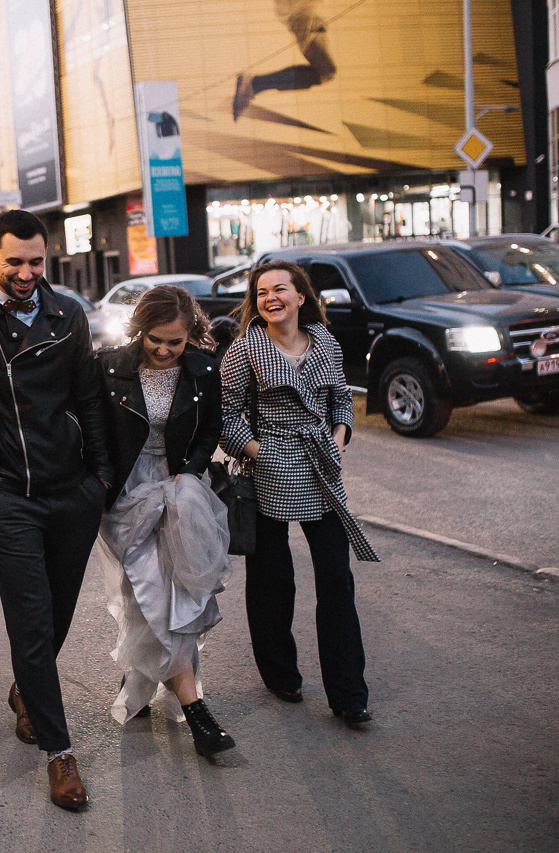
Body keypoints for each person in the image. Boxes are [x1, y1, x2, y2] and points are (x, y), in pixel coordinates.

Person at [0, 209, 112, 810]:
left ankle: (27, 692)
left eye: (37, 261)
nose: (27, 272)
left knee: (57, 612)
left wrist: (99, 478)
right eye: (14, 261)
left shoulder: (69, 314)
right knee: (31, 620)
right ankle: (60, 753)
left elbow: (89, 398)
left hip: (72, 489)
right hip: (8, 495)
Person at [219, 259, 379, 728]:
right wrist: (260, 451)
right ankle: (280, 673)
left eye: (280, 290)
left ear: (300, 296)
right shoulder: (246, 349)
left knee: (336, 578)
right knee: (273, 578)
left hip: (320, 463)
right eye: (262, 292)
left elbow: (341, 398)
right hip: (268, 467)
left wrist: (339, 437)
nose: (270, 298)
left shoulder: (325, 341)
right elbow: (224, 414)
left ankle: (349, 695)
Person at [92, 286, 236, 762]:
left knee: (178, 595)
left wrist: (189, 470)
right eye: (156, 339)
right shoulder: (109, 366)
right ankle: (166, 688)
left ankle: (191, 710)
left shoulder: (203, 368)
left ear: (190, 334)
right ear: (140, 329)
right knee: (143, 591)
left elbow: (210, 430)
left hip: (181, 492)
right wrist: (100, 481)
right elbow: (94, 430)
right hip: (125, 492)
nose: (164, 350)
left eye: (176, 342)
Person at [232, 0, 337, 121]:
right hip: (302, 14)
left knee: (325, 72)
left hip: (308, 15)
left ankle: (255, 84)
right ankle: (254, 83)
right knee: (325, 71)